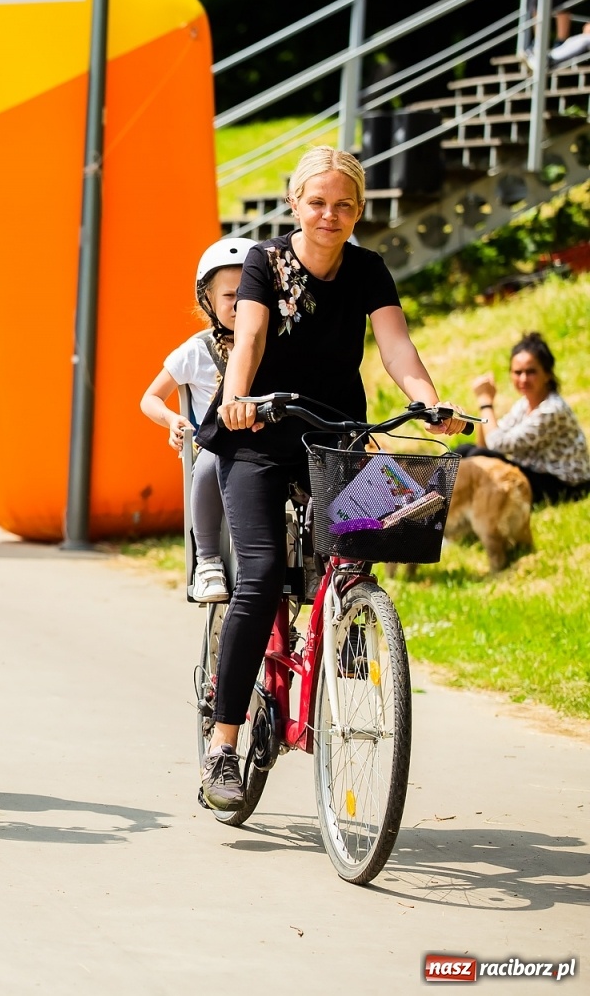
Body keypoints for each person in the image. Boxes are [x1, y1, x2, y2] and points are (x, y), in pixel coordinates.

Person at [195, 147, 463, 812]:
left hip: (334, 436)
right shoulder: (264, 263)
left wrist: (428, 401)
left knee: (358, 552)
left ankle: (344, 647)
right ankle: (223, 745)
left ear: (359, 210)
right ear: (295, 203)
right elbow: (250, 339)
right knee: (260, 576)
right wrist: (237, 397)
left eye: (344, 204)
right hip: (257, 434)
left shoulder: (368, 269)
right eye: (317, 202)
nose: (329, 215)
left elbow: (395, 345)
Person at [140, 236, 254, 603]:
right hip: (220, 444)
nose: (239, 304)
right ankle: (207, 562)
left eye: (249, 293)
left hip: (267, 441)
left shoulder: (277, 344)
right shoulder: (198, 350)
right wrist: (172, 419)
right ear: (208, 300)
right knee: (211, 460)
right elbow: (150, 398)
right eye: (229, 295)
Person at [463, 332, 590, 503]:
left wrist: (485, 402)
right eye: (518, 372)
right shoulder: (524, 404)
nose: (523, 379)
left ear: (547, 374)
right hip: (535, 473)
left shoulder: (552, 410)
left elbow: (496, 444)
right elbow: (486, 443)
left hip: (564, 485)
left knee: (478, 456)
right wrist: (484, 407)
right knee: (465, 450)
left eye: (531, 372)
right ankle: (435, 494)